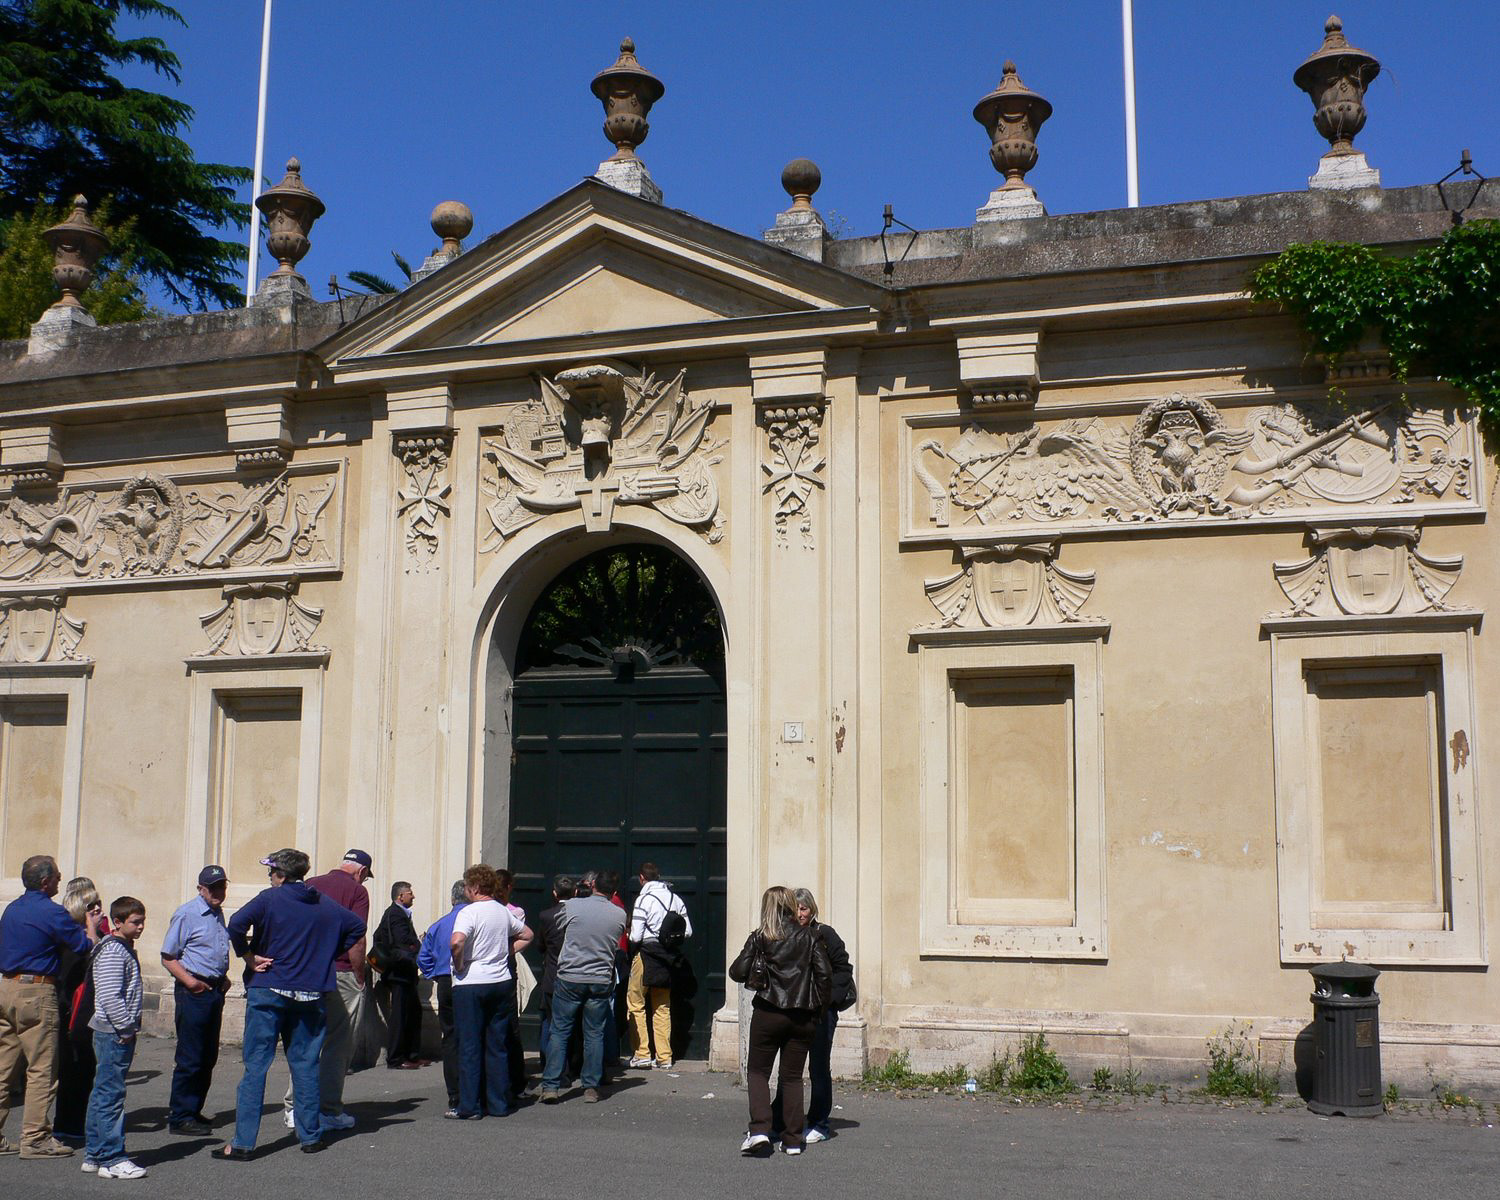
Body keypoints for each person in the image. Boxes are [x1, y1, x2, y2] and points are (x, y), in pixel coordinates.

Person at [218, 847, 365, 1160]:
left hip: (269, 988)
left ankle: (243, 1142)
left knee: (256, 1066)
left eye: (271, 872)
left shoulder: (270, 898)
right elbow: (356, 927)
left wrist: (248, 956)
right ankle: (310, 1136)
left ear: (281, 875)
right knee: (305, 1065)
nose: (270, 877)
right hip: (310, 992)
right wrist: (324, 953)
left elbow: (236, 924)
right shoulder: (323, 903)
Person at [0, 853, 99, 1159]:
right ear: (45, 882)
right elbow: (83, 946)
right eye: (56, 875)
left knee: (4, 1068)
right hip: (37, 991)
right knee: (42, 1068)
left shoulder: (12, 909)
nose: (59, 879)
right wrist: (91, 926)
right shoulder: (52, 912)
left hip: (6, 987)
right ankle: (35, 1138)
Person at [728, 885, 831, 1157]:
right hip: (802, 1014)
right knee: (793, 1077)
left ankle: (760, 1130)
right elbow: (824, 976)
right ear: (790, 906)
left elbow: (737, 971)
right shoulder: (811, 936)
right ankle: (793, 1139)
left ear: (768, 908)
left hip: (768, 1011)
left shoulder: (761, 936)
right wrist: (818, 1012)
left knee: (758, 1071)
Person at [286, 848, 372, 1132]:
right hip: (341, 971)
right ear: (361, 871)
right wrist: (360, 977)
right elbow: (357, 938)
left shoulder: (311, 884)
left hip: (307, 971)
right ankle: (328, 1110)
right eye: (365, 876)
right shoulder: (357, 891)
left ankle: (294, 1106)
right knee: (338, 1043)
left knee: (306, 1039)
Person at [448, 864, 532, 1120]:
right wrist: (505, 953)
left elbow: (457, 941)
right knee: (497, 1044)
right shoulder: (502, 911)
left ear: (474, 887)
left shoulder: (468, 912)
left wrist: (460, 964)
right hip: (500, 980)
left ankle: (470, 1106)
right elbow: (527, 934)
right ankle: (498, 1103)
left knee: (470, 1045)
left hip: (471, 982)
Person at [771, 888, 853, 1145]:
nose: (800, 913)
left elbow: (843, 969)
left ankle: (819, 1123)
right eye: (795, 909)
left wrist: (827, 1001)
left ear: (812, 909)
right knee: (789, 1068)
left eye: (804, 908)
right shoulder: (787, 934)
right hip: (794, 1011)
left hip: (820, 1013)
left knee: (818, 1067)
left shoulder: (825, 935)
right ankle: (779, 1120)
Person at [539, 870, 627, 1104]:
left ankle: (551, 1086)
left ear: (593, 885)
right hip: (600, 978)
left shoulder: (572, 906)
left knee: (559, 1031)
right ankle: (590, 1087)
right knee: (594, 1034)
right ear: (614, 891)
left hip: (570, 976)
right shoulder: (619, 914)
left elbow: (559, 928)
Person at [160, 865, 232, 1135]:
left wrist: (222, 977)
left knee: (207, 1055)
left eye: (221, 886)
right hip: (194, 991)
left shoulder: (217, 913)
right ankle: (180, 1116)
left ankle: (193, 1109)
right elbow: (168, 956)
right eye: (212, 887)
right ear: (201, 889)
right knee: (190, 1056)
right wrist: (190, 982)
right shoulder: (187, 913)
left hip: (214, 989)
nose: (218, 892)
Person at [82, 896, 148, 1179]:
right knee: (111, 1095)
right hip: (113, 1033)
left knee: (102, 1093)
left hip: (112, 1031)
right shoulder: (113, 951)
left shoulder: (118, 947)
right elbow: (110, 996)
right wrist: (126, 1028)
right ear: (117, 922)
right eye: (135, 922)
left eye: (143, 921)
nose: (141, 926)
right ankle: (112, 1158)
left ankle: (95, 1154)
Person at [53, 877, 109, 1141]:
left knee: (86, 1069)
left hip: (87, 1013)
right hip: (71, 1012)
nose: (97, 909)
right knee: (73, 1069)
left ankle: (77, 1123)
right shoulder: (74, 941)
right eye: (91, 907)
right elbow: (91, 957)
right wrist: (91, 929)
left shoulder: (92, 937)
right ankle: (67, 1126)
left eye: (98, 904)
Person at [626, 862, 691, 1069]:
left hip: (646, 956)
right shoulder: (675, 899)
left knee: (636, 1004)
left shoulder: (643, 900)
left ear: (641, 878)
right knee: (662, 1007)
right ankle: (664, 1057)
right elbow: (688, 931)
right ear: (659, 876)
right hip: (668, 957)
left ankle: (642, 1054)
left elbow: (636, 936)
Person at [417, 880, 468, 1117]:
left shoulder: (438, 925)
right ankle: (474, 1090)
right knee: (473, 1035)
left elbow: (423, 958)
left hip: (446, 981)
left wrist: (435, 974)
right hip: (468, 979)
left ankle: (454, 1094)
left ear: (452, 899)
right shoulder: (475, 920)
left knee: (450, 1037)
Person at [373, 880, 424, 1069]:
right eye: (410, 893)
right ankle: (396, 1058)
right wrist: (419, 944)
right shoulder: (395, 914)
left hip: (403, 972)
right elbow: (401, 941)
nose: (413, 896)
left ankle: (411, 1055)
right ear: (401, 896)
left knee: (413, 1012)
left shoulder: (398, 913)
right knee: (400, 1015)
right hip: (399, 972)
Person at [532, 874, 575, 1084]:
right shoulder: (579, 915)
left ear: (555, 893)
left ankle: (553, 1068)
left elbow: (540, 945)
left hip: (553, 973)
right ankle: (571, 1067)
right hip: (575, 974)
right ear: (575, 893)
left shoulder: (546, 916)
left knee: (552, 1024)